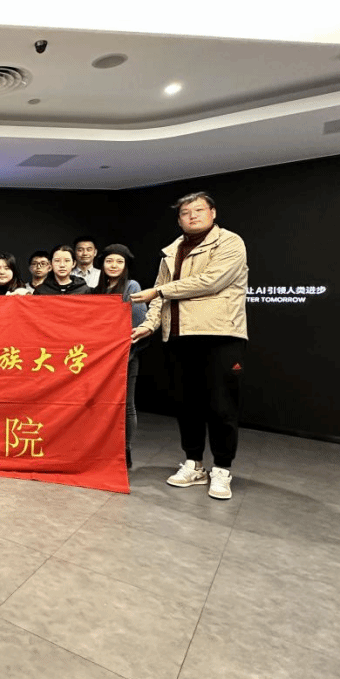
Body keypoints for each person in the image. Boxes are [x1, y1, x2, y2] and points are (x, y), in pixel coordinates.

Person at [131, 192, 248, 500]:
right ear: (179, 219)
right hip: (179, 337)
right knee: (187, 405)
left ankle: (222, 468)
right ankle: (194, 463)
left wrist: (158, 291)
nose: (192, 216)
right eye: (185, 212)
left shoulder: (230, 242)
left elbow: (211, 281)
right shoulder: (172, 251)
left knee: (222, 405)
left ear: (213, 212)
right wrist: (149, 325)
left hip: (220, 334)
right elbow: (161, 296)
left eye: (199, 210)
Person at [95, 244, 147, 469]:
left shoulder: (131, 286)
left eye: (119, 261)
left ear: (126, 265)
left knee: (126, 405)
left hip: (126, 357)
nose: (113, 265)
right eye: (109, 261)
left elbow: (137, 322)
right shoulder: (97, 289)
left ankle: (125, 450)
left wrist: (125, 354)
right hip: (100, 359)